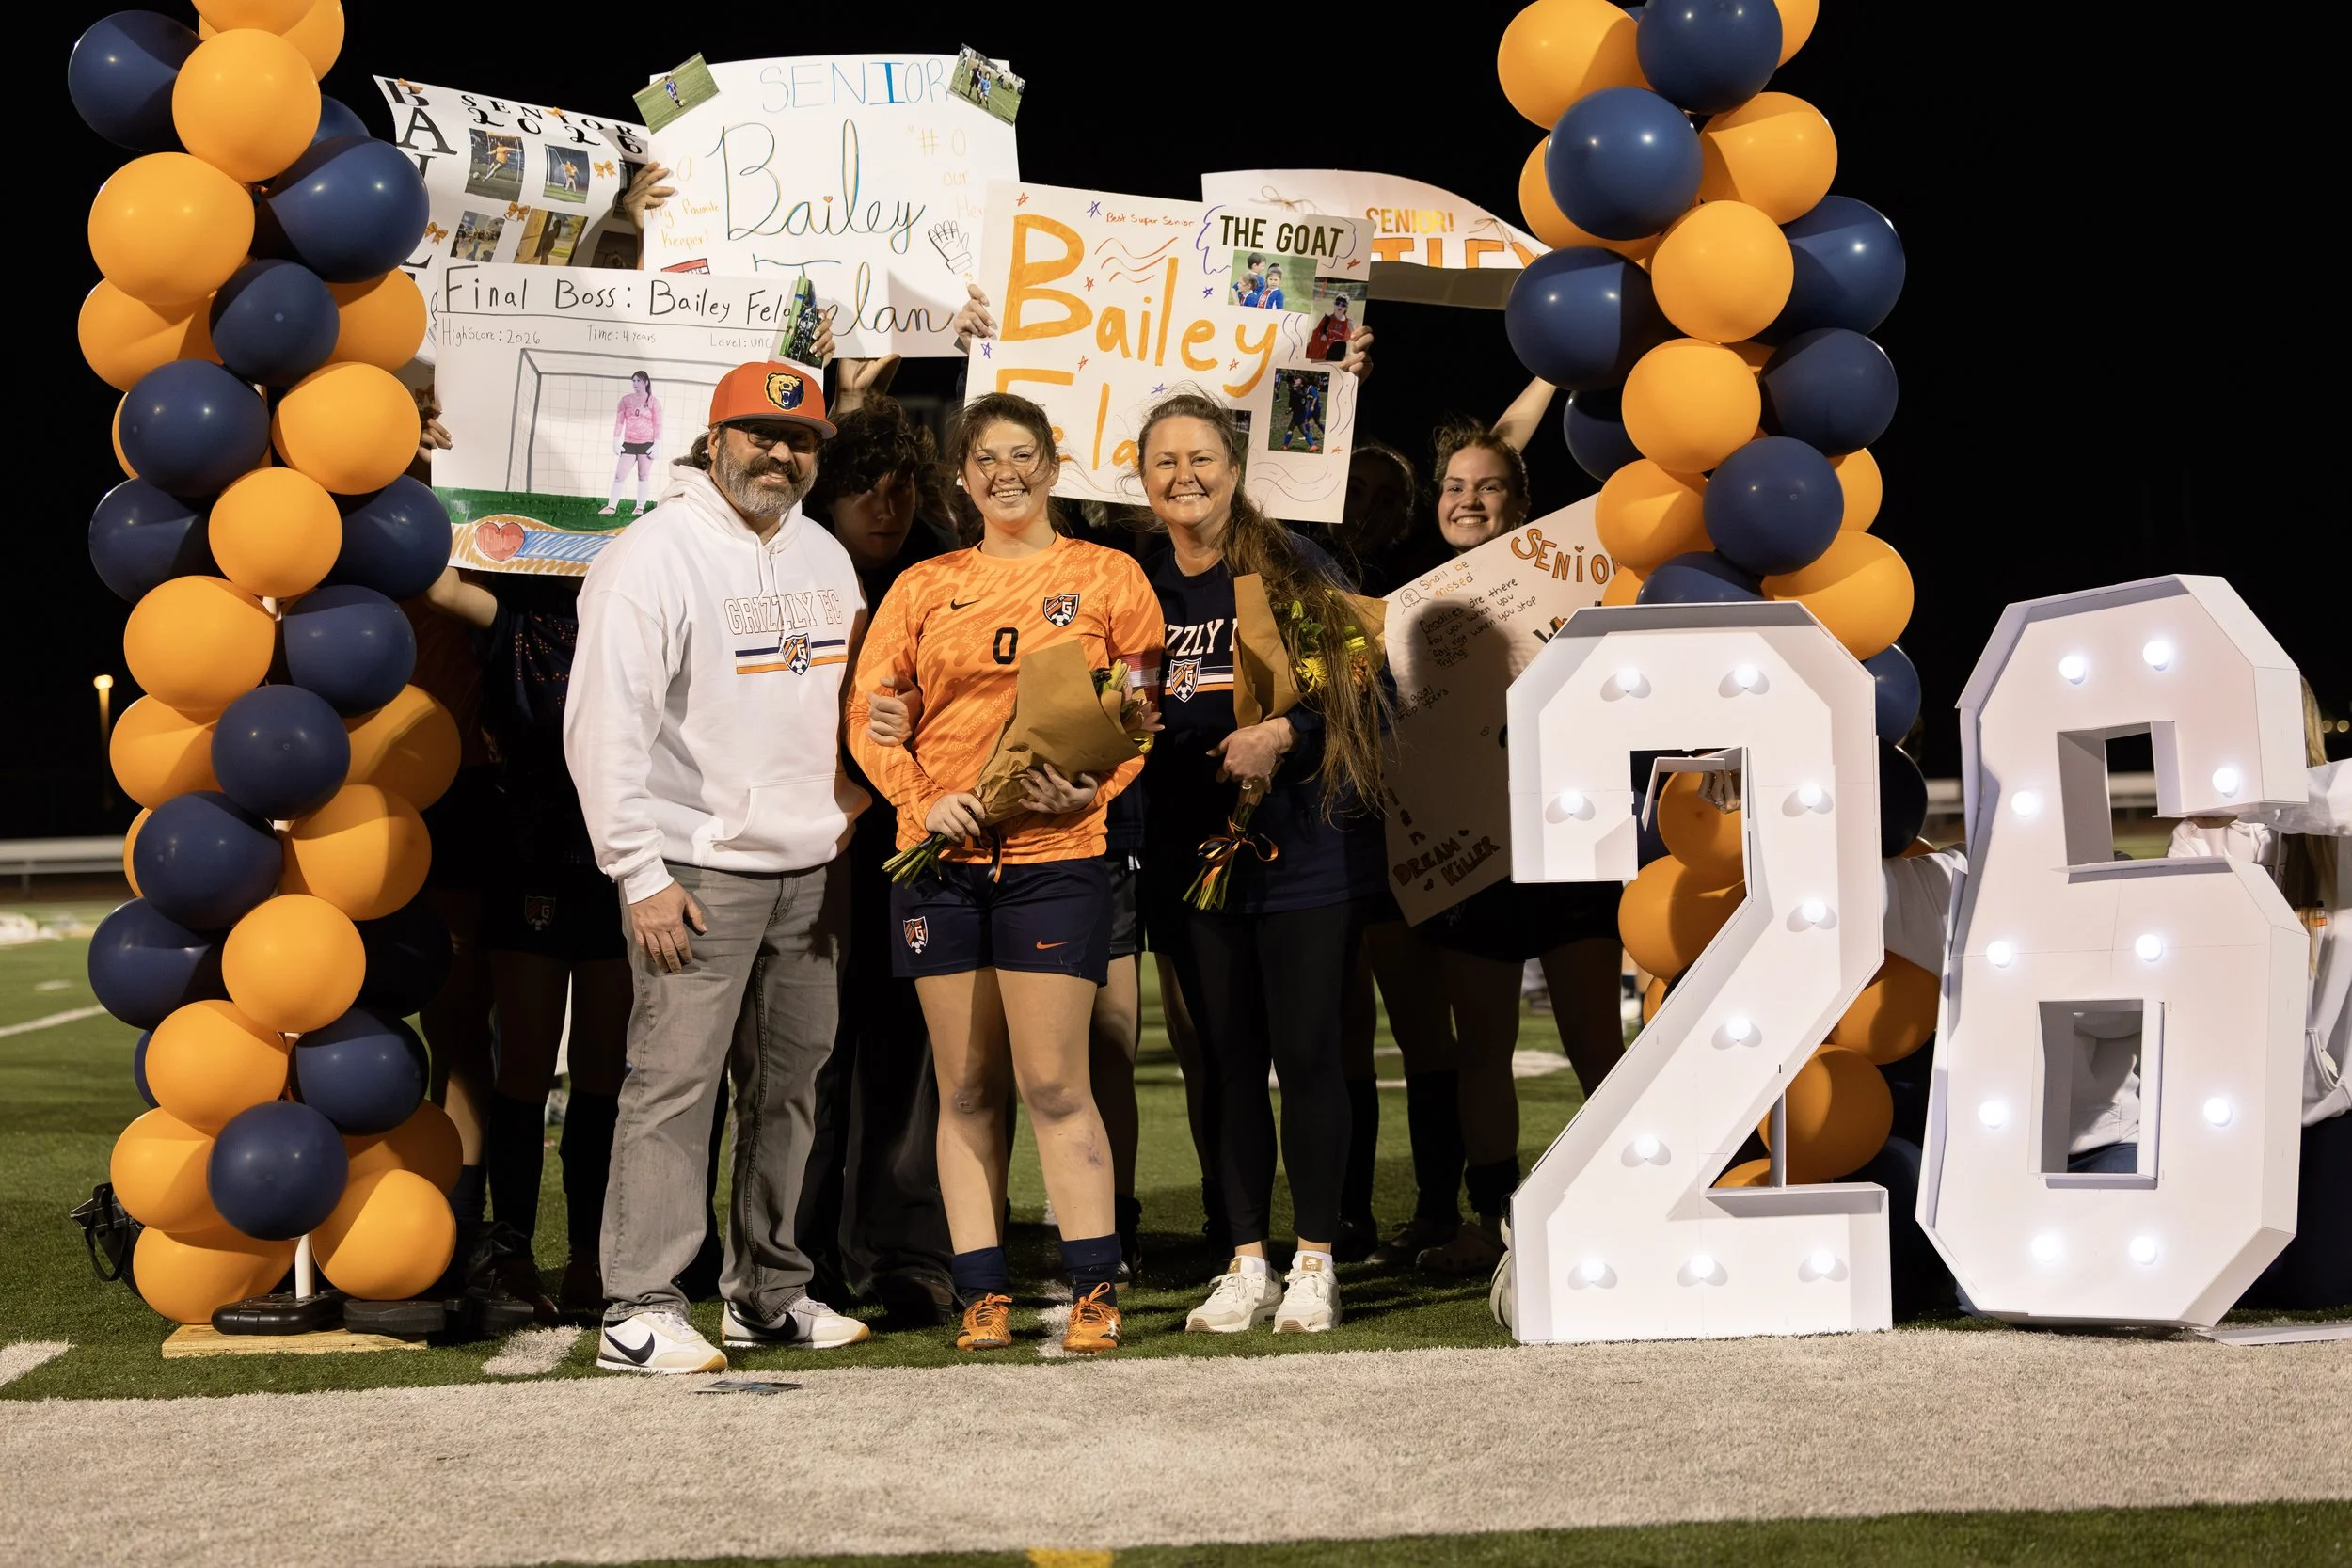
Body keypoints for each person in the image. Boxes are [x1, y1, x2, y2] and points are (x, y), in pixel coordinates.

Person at [567, 359, 871, 1374]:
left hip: (809, 867)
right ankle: (639, 1304)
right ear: (713, 441)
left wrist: (858, 796)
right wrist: (637, 869)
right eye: (758, 434)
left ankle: (767, 1294)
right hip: (694, 868)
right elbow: (606, 723)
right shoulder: (651, 554)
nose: (779, 454)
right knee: (673, 1086)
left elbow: (854, 707)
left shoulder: (827, 555)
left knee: (789, 1088)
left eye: (800, 441)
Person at [850, 392, 1162, 1355]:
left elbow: (1140, 719)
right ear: (961, 473)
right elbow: (869, 712)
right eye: (985, 458)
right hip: (939, 867)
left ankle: (1092, 1287)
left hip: (1055, 862)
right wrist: (918, 797)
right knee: (968, 1086)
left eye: (1022, 455)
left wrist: (1094, 788)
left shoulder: (1110, 578)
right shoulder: (920, 584)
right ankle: (980, 1290)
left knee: (1054, 1082)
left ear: (1052, 466)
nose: (1005, 473)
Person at [1129, 390, 1390, 1335]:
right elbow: (1111, 693)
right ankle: (1246, 1259)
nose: (1183, 476)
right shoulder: (1137, 581)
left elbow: (1369, 682)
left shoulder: (1288, 563)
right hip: (1190, 860)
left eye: (1200, 457)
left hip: (1303, 857)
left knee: (1308, 1053)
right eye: (1164, 461)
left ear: (1233, 469)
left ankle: (1315, 1257)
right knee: (1225, 1061)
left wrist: (1284, 727)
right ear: (1141, 476)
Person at [1371, 420, 1627, 1276]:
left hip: (1565, 847)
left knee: (1597, 1044)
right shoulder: (1411, 605)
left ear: (1521, 503)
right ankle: (1494, 1222)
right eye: (1453, 486)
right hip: (1471, 855)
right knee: (1480, 1048)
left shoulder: (1573, 584)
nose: (1467, 500)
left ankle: (1626, 1202)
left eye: (1487, 487)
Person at [797, 397, 962, 1325]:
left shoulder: (944, 565)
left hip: (914, 847)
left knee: (909, 1053)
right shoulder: (784, 562)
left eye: (900, 487)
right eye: (864, 486)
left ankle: (907, 1252)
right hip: (810, 848)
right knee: (809, 1058)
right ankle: (799, 1252)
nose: (885, 506)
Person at [2169, 682, 2348, 1308]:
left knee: (2316, 1287)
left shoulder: (2336, 814)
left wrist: (2266, 807)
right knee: (2233, 1284)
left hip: (2331, 1109)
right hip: (2232, 1110)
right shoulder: (2202, 832)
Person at [602, 372, 662, 516]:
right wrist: (616, 440)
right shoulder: (625, 400)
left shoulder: (653, 402)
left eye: (639, 381)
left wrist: (657, 444)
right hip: (629, 443)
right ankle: (611, 507)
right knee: (619, 476)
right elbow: (619, 421)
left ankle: (639, 508)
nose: (635, 384)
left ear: (646, 382)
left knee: (643, 475)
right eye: (633, 381)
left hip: (647, 444)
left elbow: (658, 424)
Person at [1308, 294, 1353, 363]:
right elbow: (1317, 331)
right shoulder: (1327, 319)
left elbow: (1352, 338)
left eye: (1343, 305)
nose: (1339, 306)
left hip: (1336, 354)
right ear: (1334, 304)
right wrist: (1322, 334)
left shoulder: (1348, 322)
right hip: (1322, 352)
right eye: (1337, 303)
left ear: (1346, 308)